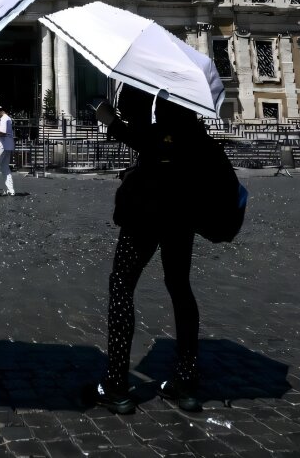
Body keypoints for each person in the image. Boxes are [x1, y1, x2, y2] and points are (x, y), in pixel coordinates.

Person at [83, 85, 207, 415]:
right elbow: (163, 154)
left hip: (146, 214)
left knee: (122, 286)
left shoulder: (152, 111)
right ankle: (187, 380)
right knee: (181, 289)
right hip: (182, 214)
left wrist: (107, 115)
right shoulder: (188, 117)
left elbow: (137, 134)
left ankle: (116, 384)